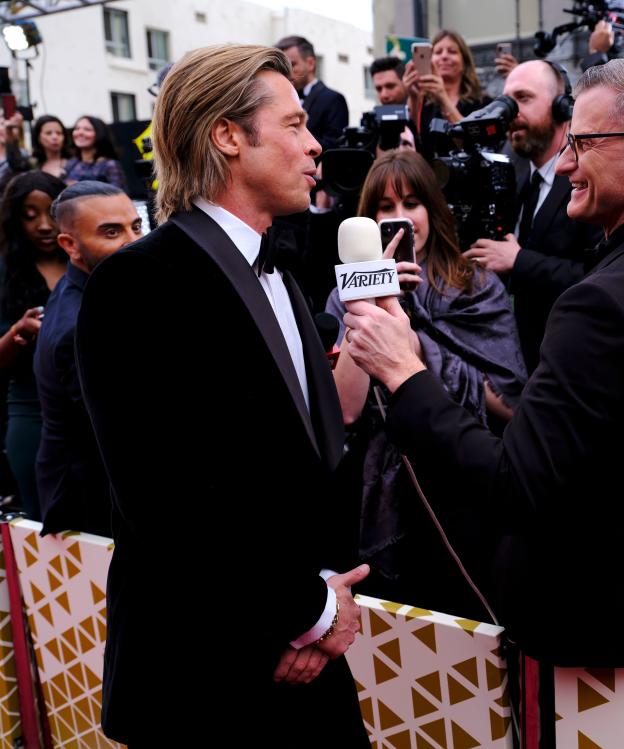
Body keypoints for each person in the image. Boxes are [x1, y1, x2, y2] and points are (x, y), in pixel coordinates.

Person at [341, 54, 624, 667]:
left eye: (584, 145)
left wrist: (406, 374)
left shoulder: (601, 304)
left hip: (599, 645)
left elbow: (514, 484)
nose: (564, 164)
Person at [74, 44, 369, 745]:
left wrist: (323, 599)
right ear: (228, 136)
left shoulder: (285, 276)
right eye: (295, 124)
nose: (315, 144)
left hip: (304, 671)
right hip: (201, 682)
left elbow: (305, 462)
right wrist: (310, 611)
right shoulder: (136, 285)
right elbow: (169, 501)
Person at [326, 150, 526, 616]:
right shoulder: (347, 292)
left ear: (432, 211)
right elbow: (347, 409)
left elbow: (511, 401)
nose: (399, 219)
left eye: (411, 203)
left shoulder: (477, 286)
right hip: (381, 486)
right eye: (385, 207)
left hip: (463, 471)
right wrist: (370, 300)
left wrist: (416, 348)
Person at [464, 60, 602, 372]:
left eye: (523, 99)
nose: (511, 113)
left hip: (574, 362)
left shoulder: (588, 182)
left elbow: (601, 276)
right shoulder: (517, 176)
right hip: (523, 360)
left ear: (562, 107)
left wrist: (520, 261)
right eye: (507, 101)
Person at [34, 182, 142, 537]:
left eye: (136, 226)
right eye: (112, 232)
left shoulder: (94, 289)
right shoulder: (79, 323)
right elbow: (122, 427)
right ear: (69, 245)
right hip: (89, 501)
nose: (132, 240)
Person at [0, 171, 66, 519]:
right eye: (30, 215)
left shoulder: (86, 260)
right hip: (32, 413)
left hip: (90, 414)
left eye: (51, 213)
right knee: (49, 536)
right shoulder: (5, 272)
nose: (43, 225)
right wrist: (18, 333)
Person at [405, 29, 491, 135]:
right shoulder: (423, 101)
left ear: (464, 62)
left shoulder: (482, 103)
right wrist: (413, 98)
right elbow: (411, 137)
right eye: (438, 52)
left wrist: (442, 97)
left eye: (452, 51)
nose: (444, 56)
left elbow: (474, 138)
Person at [276, 35, 349, 153]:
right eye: (283, 67)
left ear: (310, 63)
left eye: (292, 64)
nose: (286, 72)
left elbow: (335, 147)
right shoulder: (280, 100)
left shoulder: (334, 99)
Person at [63, 116, 126, 191]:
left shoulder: (109, 165)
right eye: (77, 129)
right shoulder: (71, 164)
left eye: (87, 129)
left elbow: (119, 196)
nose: (80, 133)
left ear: (100, 133)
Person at [31, 115, 71, 180]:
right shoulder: (31, 165)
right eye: (48, 133)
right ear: (38, 137)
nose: (55, 137)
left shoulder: (75, 163)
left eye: (59, 133)